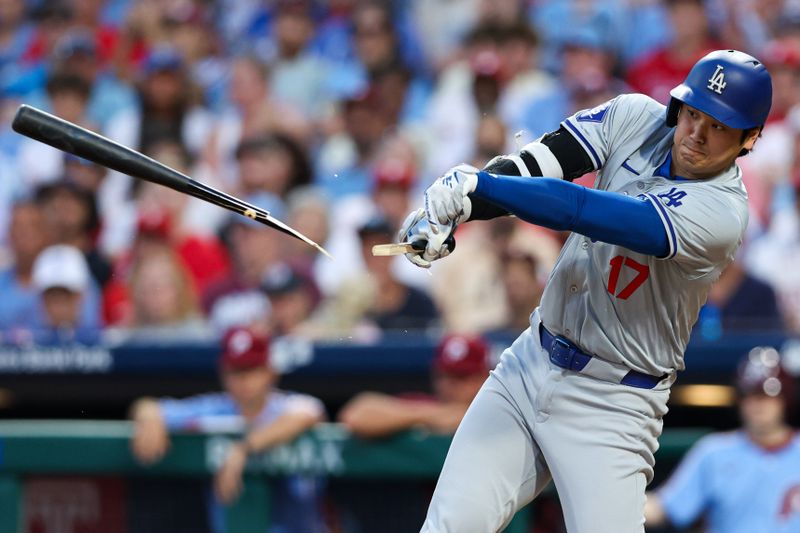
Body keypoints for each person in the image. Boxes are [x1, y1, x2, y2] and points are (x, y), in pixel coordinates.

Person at [397, 49, 773, 532]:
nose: (697, 133)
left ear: (751, 137)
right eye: (694, 113)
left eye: (719, 126)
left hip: (613, 401)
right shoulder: (635, 115)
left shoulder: (721, 214)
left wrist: (479, 187)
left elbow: (580, 209)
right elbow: (538, 166)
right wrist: (454, 210)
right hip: (530, 362)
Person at [130, 326, 327, 533]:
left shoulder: (288, 406)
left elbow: (310, 411)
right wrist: (150, 418)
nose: (244, 381)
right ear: (223, 373)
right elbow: (148, 406)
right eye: (236, 371)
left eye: (252, 370)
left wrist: (243, 449)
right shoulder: (216, 408)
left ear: (270, 372)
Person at [644, 346, 800, 532]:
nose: (758, 405)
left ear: (784, 399)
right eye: (750, 396)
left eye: (766, 396)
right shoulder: (714, 452)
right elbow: (664, 508)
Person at [339, 333, 493, 438]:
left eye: (460, 377)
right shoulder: (426, 406)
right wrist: (431, 416)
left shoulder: (500, 410)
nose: (447, 385)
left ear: (484, 377)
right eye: (443, 376)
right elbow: (355, 416)